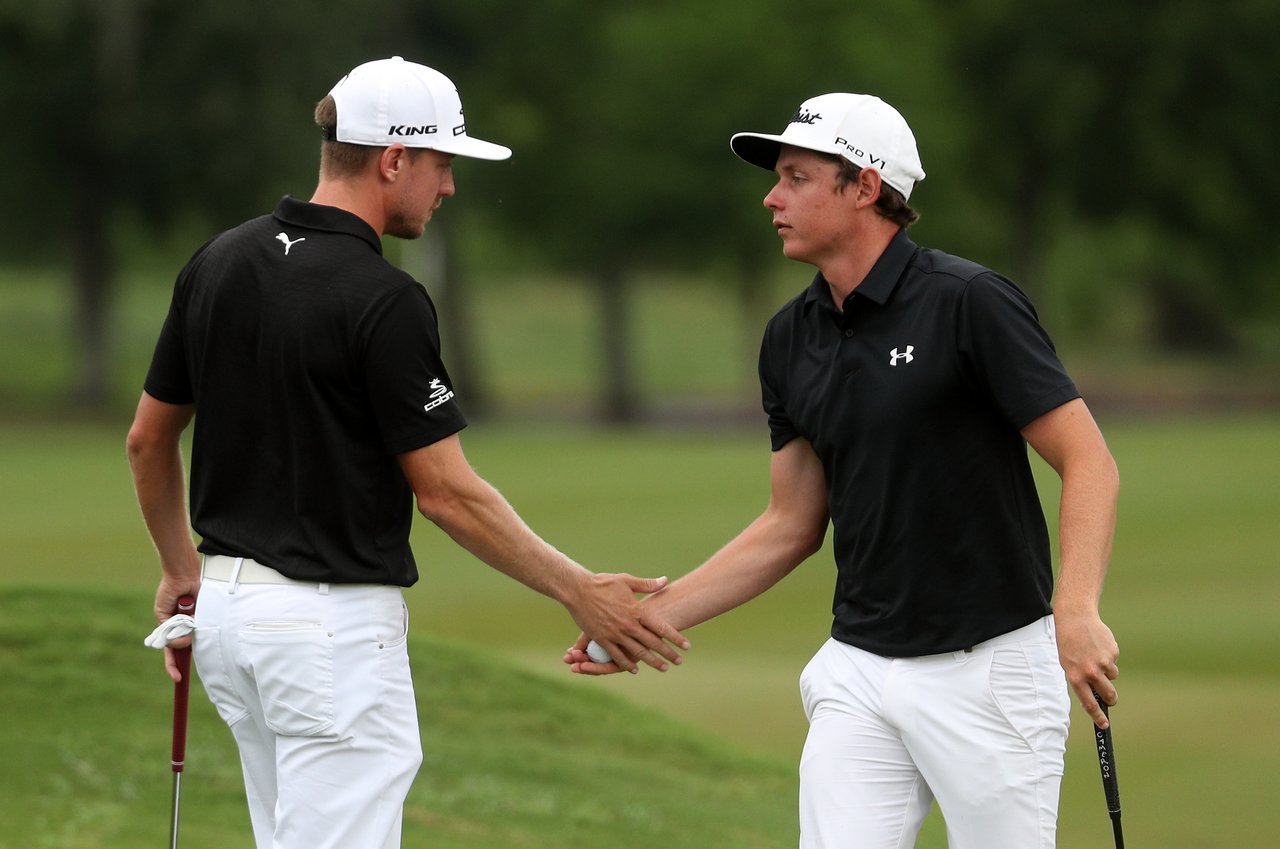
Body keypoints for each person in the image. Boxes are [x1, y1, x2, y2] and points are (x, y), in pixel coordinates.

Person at [127, 56, 688, 849]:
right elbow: (447, 494)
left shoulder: (218, 261)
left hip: (227, 619)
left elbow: (148, 438)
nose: (449, 187)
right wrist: (578, 588)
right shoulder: (384, 300)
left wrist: (183, 570)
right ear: (394, 158)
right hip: (327, 631)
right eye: (443, 163)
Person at [567, 92, 1120, 848]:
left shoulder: (968, 303)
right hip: (859, 667)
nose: (772, 196)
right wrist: (644, 621)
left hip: (988, 669)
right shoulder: (789, 338)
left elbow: (1087, 458)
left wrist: (1077, 607)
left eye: (796, 177)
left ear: (864, 187)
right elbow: (790, 523)